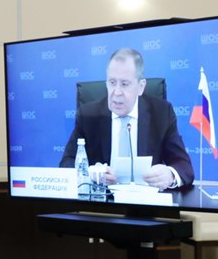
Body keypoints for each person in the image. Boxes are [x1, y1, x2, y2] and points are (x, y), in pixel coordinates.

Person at [59, 48, 194, 190]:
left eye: (124, 84)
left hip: (146, 201)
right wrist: (91, 174)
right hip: (103, 200)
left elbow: (183, 166)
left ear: (141, 87)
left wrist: (170, 175)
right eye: (112, 82)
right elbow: (67, 163)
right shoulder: (88, 115)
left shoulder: (161, 113)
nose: (117, 92)